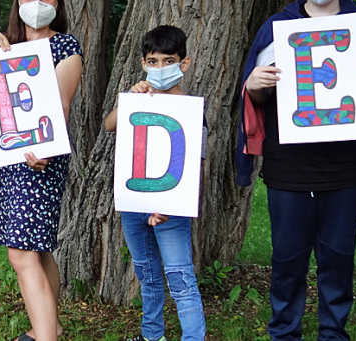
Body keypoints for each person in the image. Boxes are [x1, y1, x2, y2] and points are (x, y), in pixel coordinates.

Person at [235, 0, 356, 339]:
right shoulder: (275, 27)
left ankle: (333, 333)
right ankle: (284, 333)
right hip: (288, 167)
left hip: (346, 167)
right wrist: (254, 86)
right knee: (287, 261)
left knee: (338, 259)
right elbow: (256, 101)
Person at [0, 0, 82, 340]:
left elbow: (62, 103)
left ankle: (46, 336)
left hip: (41, 158)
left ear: (57, 3)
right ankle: (49, 326)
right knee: (38, 247)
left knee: (20, 253)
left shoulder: (65, 46)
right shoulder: (6, 45)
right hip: (9, 158)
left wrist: (44, 150)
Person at [100, 25, 206, 341]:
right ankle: (152, 335)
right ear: (144, 63)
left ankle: (193, 337)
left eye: (168, 60)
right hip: (135, 204)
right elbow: (109, 125)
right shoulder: (139, 101)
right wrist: (128, 100)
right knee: (147, 275)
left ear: (183, 64)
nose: (160, 68)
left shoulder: (191, 112)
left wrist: (168, 204)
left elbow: (193, 166)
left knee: (180, 278)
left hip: (171, 208)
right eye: (153, 61)